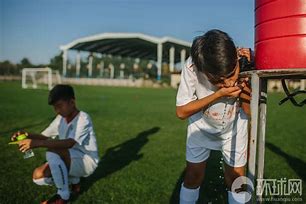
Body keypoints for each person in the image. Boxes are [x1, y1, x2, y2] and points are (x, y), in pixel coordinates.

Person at [176, 29, 251, 204]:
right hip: (200, 128)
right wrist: (218, 95)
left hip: (235, 128)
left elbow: (249, 112)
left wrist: (245, 92)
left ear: (236, 58)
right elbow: (181, 112)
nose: (228, 83)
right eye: (218, 81)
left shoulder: (242, 60)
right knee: (193, 176)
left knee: (237, 180)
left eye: (231, 74)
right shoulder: (192, 66)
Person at [12, 84, 99, 204]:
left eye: (59, 106)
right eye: (55, 108)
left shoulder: (83, 118)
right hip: (70, 157)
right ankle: (74, 181)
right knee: (38, 176)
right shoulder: (60, 118)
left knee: (53, 151)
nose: (57, 110)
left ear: (72, 102)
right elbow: (44, 136)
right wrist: (26, 135)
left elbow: (69, 143)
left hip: (87, 161)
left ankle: (63, 197)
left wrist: (38, 143)